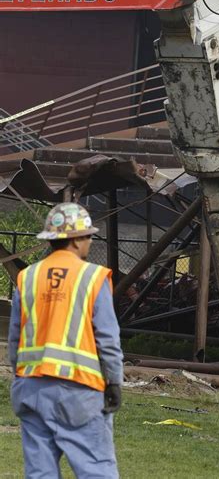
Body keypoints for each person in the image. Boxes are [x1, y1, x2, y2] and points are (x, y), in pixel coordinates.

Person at [8, 202, 123, 478]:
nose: (90, 242)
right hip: (78, 392)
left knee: (40, 472)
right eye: (89, 236)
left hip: (32, 389)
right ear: (77, 239)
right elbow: (107, 339)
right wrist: (114, 382)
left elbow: (15, 340)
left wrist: (21, 377)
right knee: (96, 469)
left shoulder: (27, 278)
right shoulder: (92, 278)